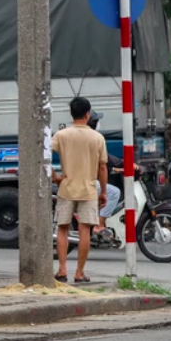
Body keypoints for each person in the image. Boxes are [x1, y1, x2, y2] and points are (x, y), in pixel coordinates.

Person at [51, 97, 108, 284]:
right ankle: (79, 272)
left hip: (66, 188)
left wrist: (55, 177)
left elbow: (43, 156)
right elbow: (102, 168)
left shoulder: (61, 135)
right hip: (88, 189)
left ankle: (61, 270)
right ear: (88, 114)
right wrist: (104, 192)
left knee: (62, 229)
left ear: (71, 113)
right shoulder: (97, 137)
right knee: (85, 230)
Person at [87, 111, 131, 235]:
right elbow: (105, 163)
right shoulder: (94, 139)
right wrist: (124, 164)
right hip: (86, 182)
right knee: (113, 192)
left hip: (75, 180)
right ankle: (99, 225)